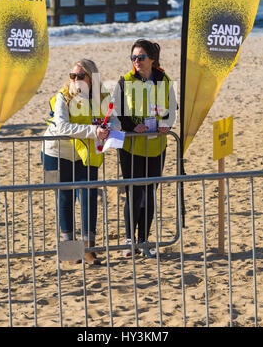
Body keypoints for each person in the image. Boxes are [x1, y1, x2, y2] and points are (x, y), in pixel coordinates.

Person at [42, 59, 118, 265]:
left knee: (88, 196)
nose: (75, 79)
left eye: (80, 76)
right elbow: (61, 128)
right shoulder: (62, 96)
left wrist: (109, 127)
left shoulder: (101, 96)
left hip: (85, 153)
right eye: (72, 76)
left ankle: (88, 249)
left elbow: (113, 117)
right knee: (64, 199)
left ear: (92, 78)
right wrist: (95, 131)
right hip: (55, 153)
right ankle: (69, 251)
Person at [113, 39, 176, 258]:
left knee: (149, 192)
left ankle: (143, 240)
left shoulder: (163, 79)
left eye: (141, 57)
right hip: (131, 145)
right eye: (133, 58)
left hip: (156, 146)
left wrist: (167, 124)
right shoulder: (125, 81)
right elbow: (117, 112)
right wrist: (132, 126)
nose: (136, 61)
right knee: (134, 192)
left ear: (152, 59)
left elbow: (171, 108)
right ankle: (130, 239)